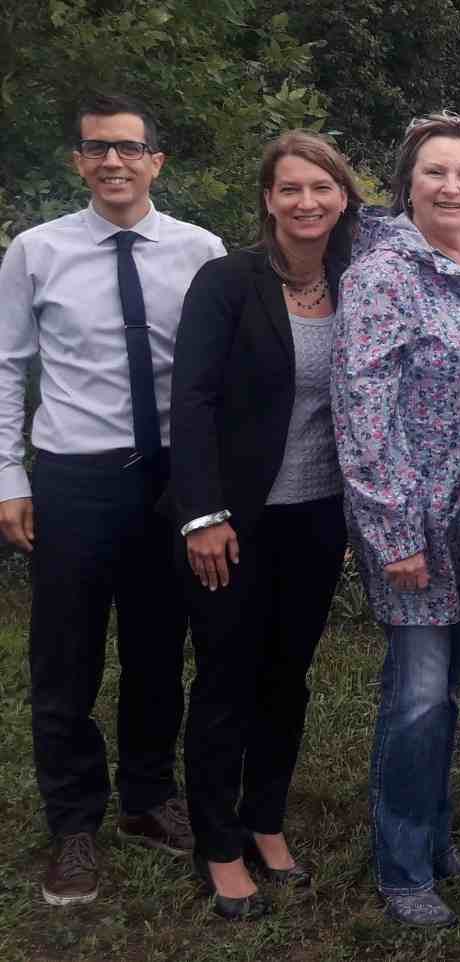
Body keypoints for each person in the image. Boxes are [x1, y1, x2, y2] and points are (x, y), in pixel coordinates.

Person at [0, 92, 224, 906]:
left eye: (129, 148)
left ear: (156, 161)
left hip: (170, 479)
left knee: (160, 646)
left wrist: (213, 489)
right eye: (97, 149)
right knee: (66, 654)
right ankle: (72, 822)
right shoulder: (36, 252)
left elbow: (211, 378)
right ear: (78, 161)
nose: (113, 162)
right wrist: (8, 477)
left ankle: (145, 796)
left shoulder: (201, 250)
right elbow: (4, 366)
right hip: (74, 475)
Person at [332, 111, 460, 928]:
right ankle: (404, 865)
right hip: (413, 533)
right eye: (435, 172)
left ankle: (439, 840)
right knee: (415, 699)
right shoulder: (384, 276)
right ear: (408, 182)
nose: (451, 186)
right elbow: (362, 412)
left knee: (445, 692)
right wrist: (394, 537)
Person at [166, 131, 363, 920]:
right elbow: (192, 401)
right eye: (290, 189)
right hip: (234, 522)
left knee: (288, 676)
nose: (306, 202)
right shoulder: (226, 282)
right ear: (267, 200)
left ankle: (265, 819)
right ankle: (218, 843)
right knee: (224, 679)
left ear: (343, 197)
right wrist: (202, 515)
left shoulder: (359, 281)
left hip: (317, 518)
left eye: (321, 187)